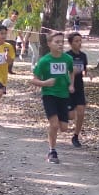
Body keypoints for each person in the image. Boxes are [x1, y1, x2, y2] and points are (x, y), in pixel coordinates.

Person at [29, 32, 74, 163]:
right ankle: (52, 151)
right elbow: (34, 80)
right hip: (49, 95)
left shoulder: (67, 59)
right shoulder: (44, 61)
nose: (60, 44)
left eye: (62, 42)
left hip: (64, 95)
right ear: (49, 44)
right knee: (54, 125)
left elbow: (71, 72)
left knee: (64, 128)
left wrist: (71, 84)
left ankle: (56, 127)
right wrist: (45, 83)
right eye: (57, 42)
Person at [66, 32, 91, 147]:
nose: (79, 43)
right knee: (71, 116)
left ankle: (75, 136)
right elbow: (63, 72)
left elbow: (84, 70)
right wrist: (71, 72)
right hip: (67, 88)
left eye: (80, 40)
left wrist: (88, 73)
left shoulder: (83, 56)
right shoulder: (66, 56)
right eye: (76, 41)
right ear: (71, 43)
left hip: (79, 87)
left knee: (81, 112)